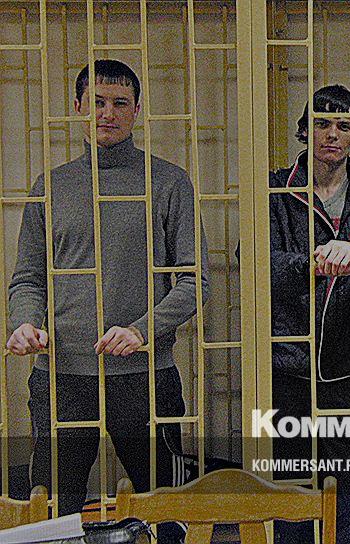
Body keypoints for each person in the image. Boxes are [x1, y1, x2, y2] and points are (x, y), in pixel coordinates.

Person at [5, 60, 207, 535]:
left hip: (145, 374)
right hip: (62, 375)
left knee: (165, 506)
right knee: (55, 511)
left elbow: (194, 281)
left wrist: (141, 331)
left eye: (119, 103)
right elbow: (28, 279)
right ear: (78, 106)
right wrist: (25, 323)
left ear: (137, 110)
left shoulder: (168, 181)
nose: (108, 113)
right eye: (97, 102)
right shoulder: (51, 186)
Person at [263, 84, 350, 543]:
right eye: (322, 123)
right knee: (292, 472)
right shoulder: (276, 188)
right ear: (304, 130)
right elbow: (257, 260)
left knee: (349, 471)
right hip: (289, 355)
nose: (332, 134)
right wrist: (314, 262)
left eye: (344, 126)